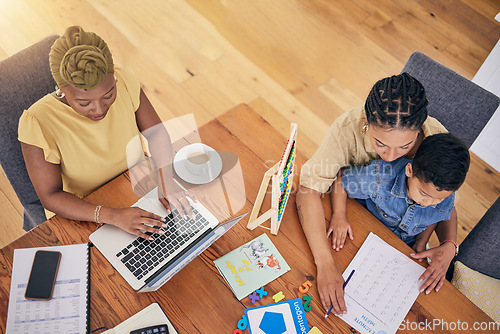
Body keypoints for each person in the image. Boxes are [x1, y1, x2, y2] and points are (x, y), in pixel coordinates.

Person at [296, 73, 459, 315]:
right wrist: (324, 263)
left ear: (421, 128)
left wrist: (450, 245)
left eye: (404, 147)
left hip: (397, 243)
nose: (391, 157)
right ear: (366, 119)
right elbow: (308, 189)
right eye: (380, 143)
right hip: (353, 216)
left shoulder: (436, 142)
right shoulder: (346, 128)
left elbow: (443, 204)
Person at [19, 26, 191, 239]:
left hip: (138, 185)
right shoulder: (36, 122)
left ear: (115, 79)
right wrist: (113, 216)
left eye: (108, 95)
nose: (99, 110)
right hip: (86, 212)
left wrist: (166, 179)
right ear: (61, 90)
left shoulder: (125, 79)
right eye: (84, 103)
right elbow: (50, 196)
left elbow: (156, 133)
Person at [333, 133, 469, 261]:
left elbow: (432, 217)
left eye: (439, 199)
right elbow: (341, 181)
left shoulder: (444, 196)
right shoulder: (380, 178)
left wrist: (422, 242)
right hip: (361, 229)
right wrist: (339, 216)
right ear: (409, 170)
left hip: (399, 248)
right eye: (423, 194)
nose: (428, 203)